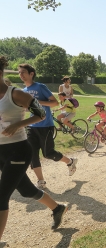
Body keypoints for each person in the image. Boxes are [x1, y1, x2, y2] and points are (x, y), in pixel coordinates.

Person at [0, 56, 67, 240]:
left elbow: (39, 112)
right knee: (26, 190)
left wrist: (18, 124)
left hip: (18, 149)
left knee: (1, 196)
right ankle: (57, 208)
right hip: (1, 151)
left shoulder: (15, 94)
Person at [19, 64, 77, 190]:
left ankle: (70, 161)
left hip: (45, 125)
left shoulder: (40, 87)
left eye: (23, 72)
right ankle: (41, 181)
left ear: (31, 74)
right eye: (19, 73)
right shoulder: (23, 91)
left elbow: (55, 102)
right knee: (32, 154)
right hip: (31, 126)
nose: (21, 75)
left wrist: (38, 102)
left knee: (48, 153)